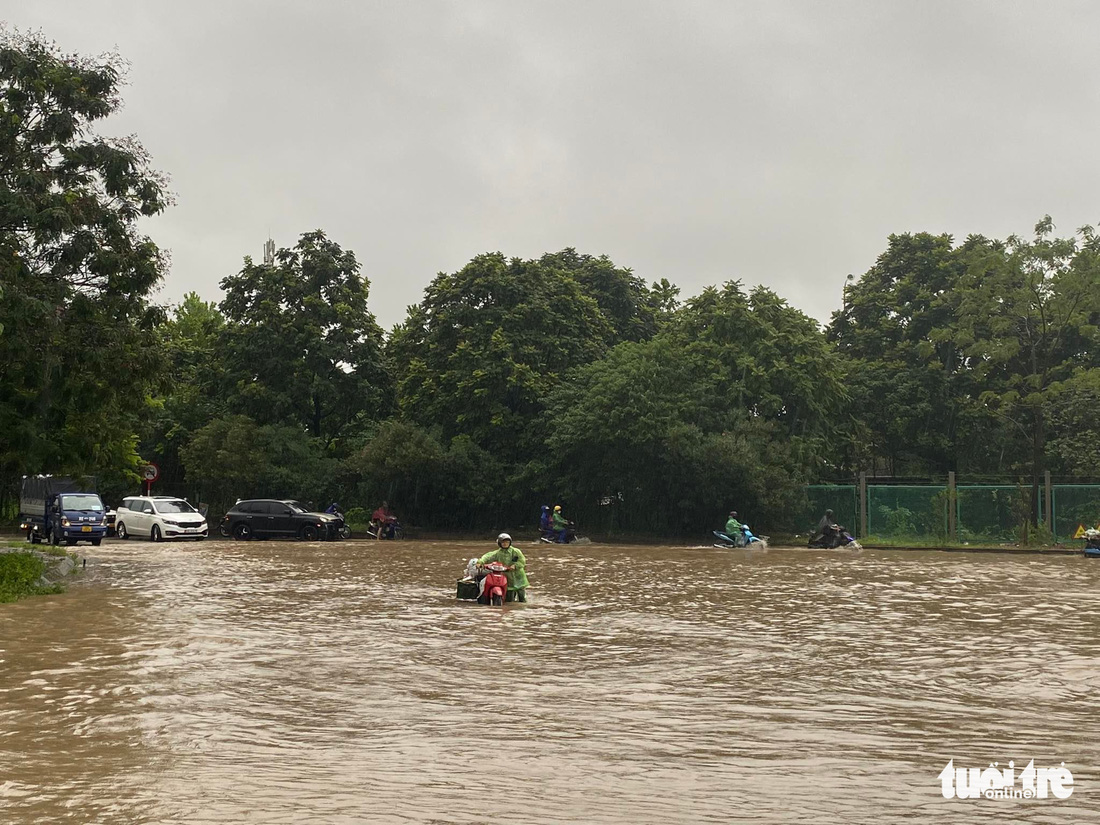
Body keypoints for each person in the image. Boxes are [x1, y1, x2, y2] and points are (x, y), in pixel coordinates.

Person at [478, 533, 529, 602]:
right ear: (499, 543)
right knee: (509, 599)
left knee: (522, 596)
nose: (505, 544)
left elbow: (522, 561)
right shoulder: (497, 553)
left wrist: (515, 565)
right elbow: (487, 556)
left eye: (507, 542)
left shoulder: (516, 551)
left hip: (518, 576)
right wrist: (480, 562)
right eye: (503, 542)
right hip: (507, 577)